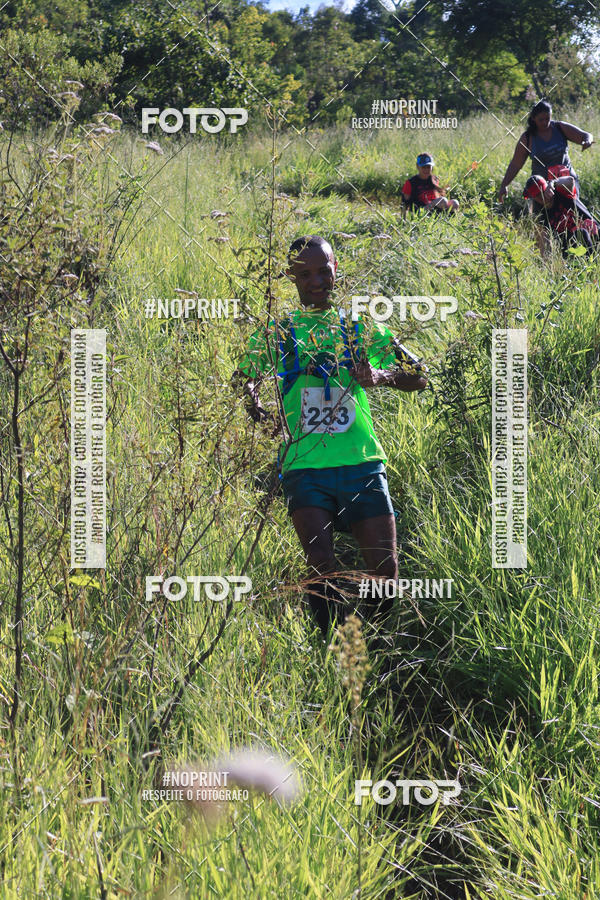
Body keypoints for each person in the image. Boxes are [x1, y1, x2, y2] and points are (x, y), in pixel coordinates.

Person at [235, 235, 428, 636]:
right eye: (304, 274)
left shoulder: (357, 326)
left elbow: (418, 375)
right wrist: (256, 405)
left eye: (324, 270)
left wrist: (381, 376)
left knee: (385, 571)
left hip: (361, 463)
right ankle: (328, 647)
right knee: (322, 567)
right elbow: (243, 377)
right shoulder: (280, 331)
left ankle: (369, 642)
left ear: (336, 269)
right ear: (291, 277)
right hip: (305, 468)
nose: (316, 281)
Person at [499, 99, 593, 202]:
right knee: (546, 217)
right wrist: (504, 185)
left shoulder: (559, 127)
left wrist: (587, 141)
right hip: (541, 189)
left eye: (547, 118)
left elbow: (585, 135)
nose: (545, 122)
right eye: (541, 120)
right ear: (533, 118)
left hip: (566, 183)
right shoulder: (527, 138)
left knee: (572, 214)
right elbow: (515, 164)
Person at [523, 170, 599, 257]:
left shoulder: (561, 192)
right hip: (573, 250)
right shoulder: (541, 215)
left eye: (543, 191)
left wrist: (552, 183)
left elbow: (570, 180)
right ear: (533, 198)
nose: (542, 197)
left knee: (582, 232)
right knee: (578, 235)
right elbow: (544, 246)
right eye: (537, 195)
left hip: (594, 234)